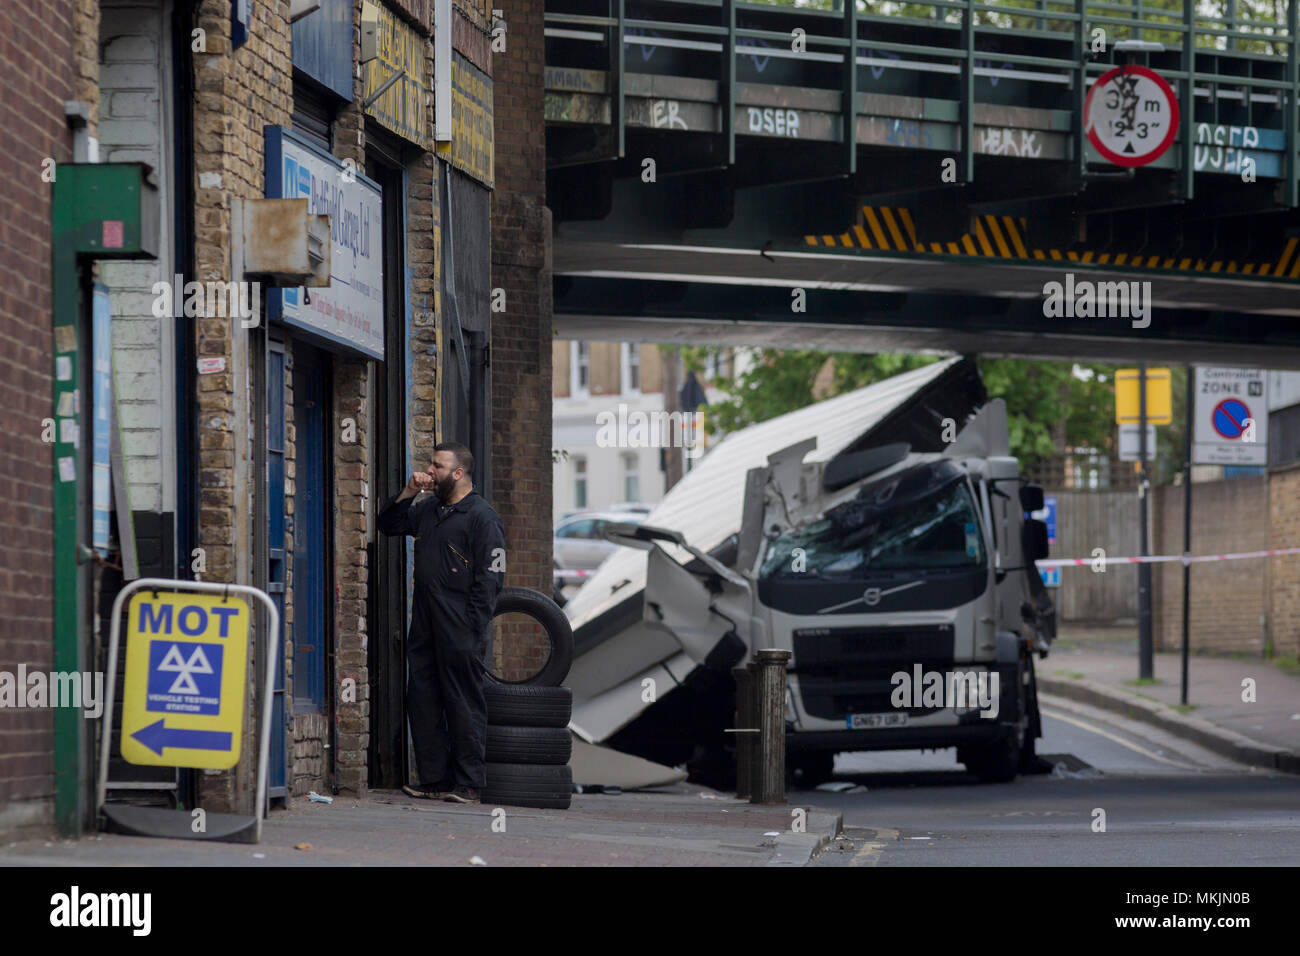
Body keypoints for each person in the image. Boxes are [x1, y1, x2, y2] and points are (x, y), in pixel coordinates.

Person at [378, 441, 506, 804]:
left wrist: (472, 625)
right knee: (423, 698)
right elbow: (388, 525)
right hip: (425, 622)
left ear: (459, 473)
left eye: (438, 466)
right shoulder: (429, 510)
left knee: (462, 702)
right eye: (430, 464)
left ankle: (467, 784)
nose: (430, 470)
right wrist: (408, 491)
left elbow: (491, 577)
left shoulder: (482, 517)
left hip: (460, 625)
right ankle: (434, 780)